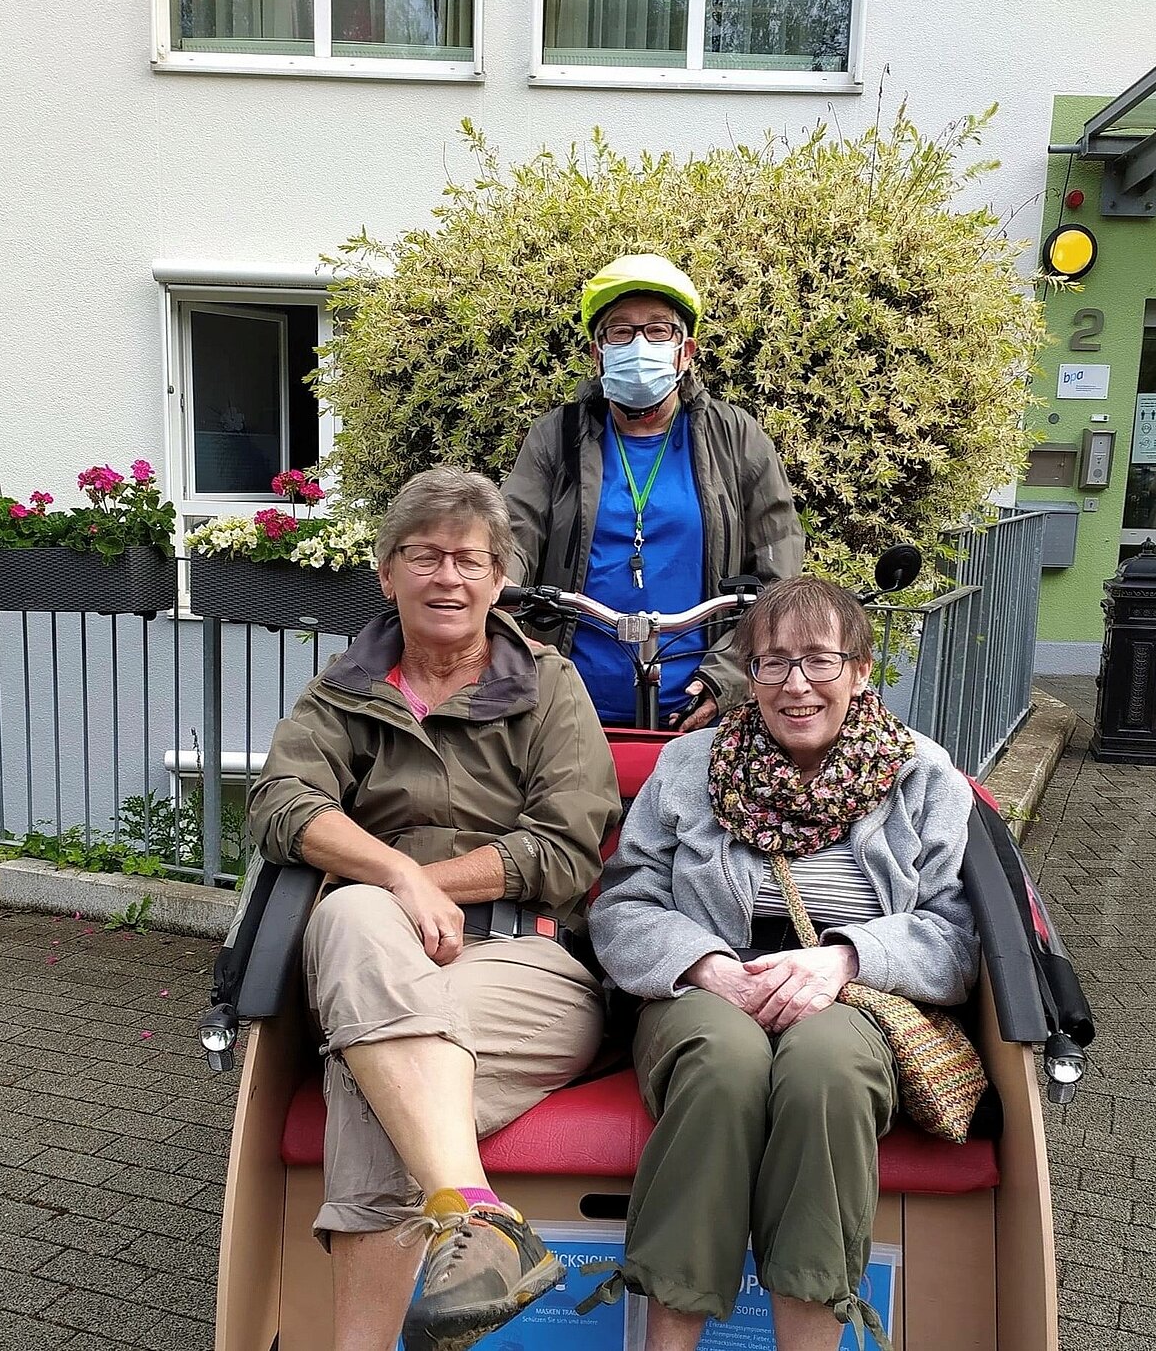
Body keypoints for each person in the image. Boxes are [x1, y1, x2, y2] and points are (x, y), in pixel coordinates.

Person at [247, 466, 621, 1351]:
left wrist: (425, 879)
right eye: (424, 556)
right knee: (350, 922)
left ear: (498, 582)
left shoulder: (548, 686)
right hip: (379, 954)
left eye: (469, 559)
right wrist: (394, 876)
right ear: (387, 573)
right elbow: (279, 805)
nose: (447, 577)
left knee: (365, 1067)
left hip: (526, 965)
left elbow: (568, 851)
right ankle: (480, 1218)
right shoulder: (345, 689)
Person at [588, 575, 979, 1351]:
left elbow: (955, 933)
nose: (796, 684)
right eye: (773, 663)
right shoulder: (691, 765)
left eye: (820, 661)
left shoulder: (922, 774)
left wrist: (844, 958)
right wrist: (705, 964)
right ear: (751, 676)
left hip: (855, 993)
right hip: (708, 983)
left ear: (862, 670)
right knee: (722, 1065)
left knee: (826, 1072)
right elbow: (623, 903)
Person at [501, 253, 805, 730]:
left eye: (658, 330)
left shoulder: (735, 437)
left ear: (686, 351)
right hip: (568, 706)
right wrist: (501, 593)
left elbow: (778, 572)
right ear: (597, 353)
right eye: (619, 331)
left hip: (698, 705)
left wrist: (725, 681)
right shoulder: (557, 436)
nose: (638, 344)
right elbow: (513, 534)